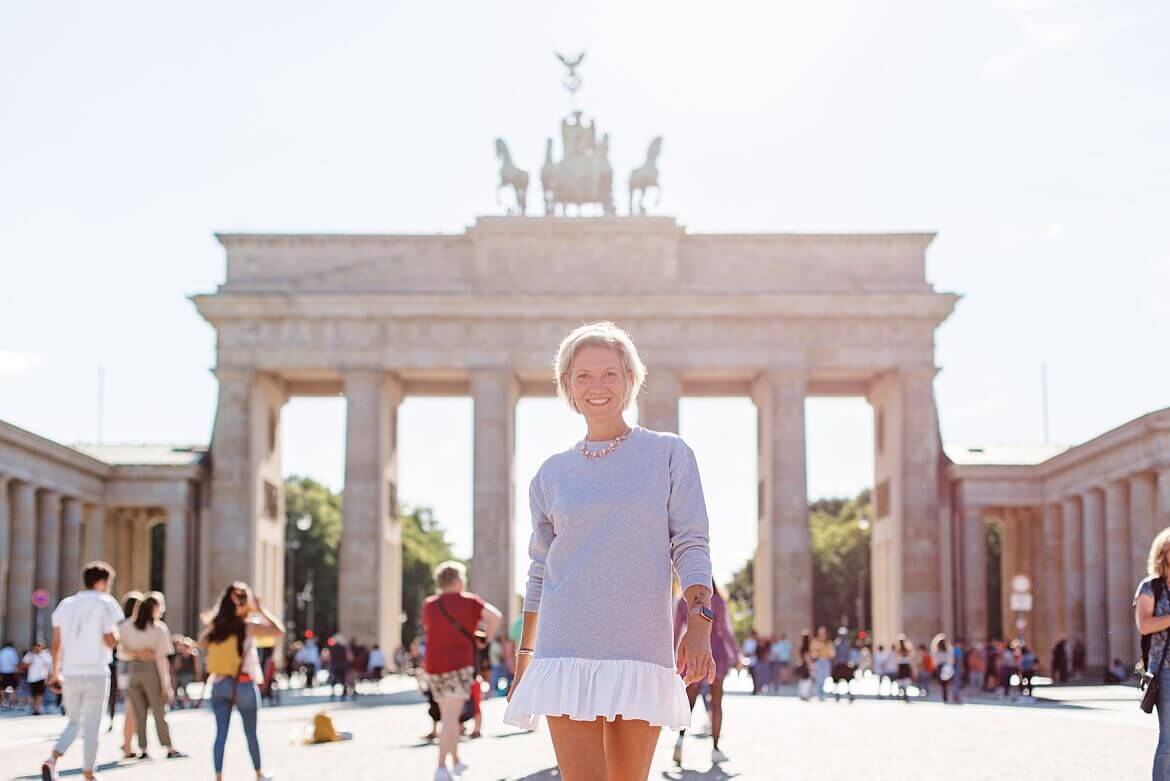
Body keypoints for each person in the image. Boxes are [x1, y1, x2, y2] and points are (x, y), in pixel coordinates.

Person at [504, 322, 716, 781]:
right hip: (564, 649)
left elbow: (691, 543)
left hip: (639, 647)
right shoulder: (551, 473)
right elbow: (540, 571)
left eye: (609, 373)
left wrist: (699, 624)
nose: (596, 386)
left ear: (629, 379)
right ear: (567, 386)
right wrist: (525, 660)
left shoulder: (668, 454)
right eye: (582, 375)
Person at [40, 561, 125, 781]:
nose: (109, 587)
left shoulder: (65, 604)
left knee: (74, 721)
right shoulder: (106, 603)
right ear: (100, 582)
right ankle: (89, 772)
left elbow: (56, 643)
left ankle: (53, 759)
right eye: (109, 582)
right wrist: (116, 638)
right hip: (96, 671)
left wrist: (55, 672)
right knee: (93, 725)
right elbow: (109, 639)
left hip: (70, 672)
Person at [421, 560, 503, 780]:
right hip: (459, 665)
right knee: (450, 717)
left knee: (449, 717)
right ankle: (440, 767)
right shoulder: (469, 602)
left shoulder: (430, 604)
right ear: (458, 581)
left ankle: (456, 761)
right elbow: (496, 616)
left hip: (435, 666)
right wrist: (485, 639)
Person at [199, 582, 284, 781]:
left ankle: (218, 776)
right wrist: (260, 610)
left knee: (220, 734)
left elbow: (201, 643)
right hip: (243, 684)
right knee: (251, 733)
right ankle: (258, 773)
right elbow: (278, 630)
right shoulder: (247, 626)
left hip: (219, 684)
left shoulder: (216, 626)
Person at [672, 578, 740, 766]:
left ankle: (680, 739)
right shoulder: (717, 601)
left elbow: (677, 629)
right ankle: (715, 749)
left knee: (689, 701)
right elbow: (725, 630)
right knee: (716, 703)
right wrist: (736, 654)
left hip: (693, 651)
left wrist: (673, 655)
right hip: (716, 653)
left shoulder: (682, 602)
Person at [119, 592, 185, 759]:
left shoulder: (126, 626)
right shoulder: (158, 628)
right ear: (155, 608)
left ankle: (142, 748)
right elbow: (161, 659)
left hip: (133, 669)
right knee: (159, 711)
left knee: (138, 712)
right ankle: (169, 747)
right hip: (152, 670)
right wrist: (166, 684)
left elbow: (122, 652)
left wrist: (137, 653)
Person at [1135, 527, 1170, 778]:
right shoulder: (1150, 588)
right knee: (1169, 738)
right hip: (1164, 671)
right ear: (1163, 554)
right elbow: (1145, 625)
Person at [112, 591, 143, 754]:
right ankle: (128, 745)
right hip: (130, 666)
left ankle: (129, 743)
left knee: (133, 707)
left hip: (124, 666)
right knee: (132, 707)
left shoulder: (121, 624)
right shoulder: (128, 625)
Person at [22, 640, 52, 715]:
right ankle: (34, 707)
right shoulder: (30, 655)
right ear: (34, 647)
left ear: (42, 647)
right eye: (37, 646)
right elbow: (23, 665)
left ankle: (37, 710)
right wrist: (29, 664)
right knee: (33, 695)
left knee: (39, 694)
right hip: (32, 678)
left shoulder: (45, 655)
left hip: (41, 677)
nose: (38, 648)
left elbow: (50, 666)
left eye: (39, 646)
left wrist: (49, 676)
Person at [810, 626, 834, 702]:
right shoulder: (816, 642)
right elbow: (813, 652)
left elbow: (832, 653)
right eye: (821, 633)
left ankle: (822, 693)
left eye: (823, 633)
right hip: (819, 661)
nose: (822, 635)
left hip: (826, 661)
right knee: (819, 678)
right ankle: (820, 694)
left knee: (824, 678)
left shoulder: (828, 643)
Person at [931, 634, 956, 703]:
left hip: (940, 667)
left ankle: (944, 697)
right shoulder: (948, 651)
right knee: (946, 683)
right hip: (946, 667)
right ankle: (946, 696)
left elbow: (935, 661)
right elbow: (951, 660)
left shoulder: (937, 651)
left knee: (942, 684)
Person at [832, 628, 855, 703]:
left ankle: (849, 694)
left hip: (845, 664)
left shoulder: (847, 644)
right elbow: (835, 654)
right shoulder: (837, 643)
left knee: (848, 680)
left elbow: (849, 654)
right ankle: (837, 694)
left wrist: (850, 662)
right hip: (839, 664)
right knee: (837, 681)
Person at [893, 634, 915, 702]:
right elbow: (911, 658)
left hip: (902, 665)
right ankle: (904, 691)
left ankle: (902, 691)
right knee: (905, 680)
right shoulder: (906, 649)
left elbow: (896, 659)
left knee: (902, 680)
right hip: (905, 665)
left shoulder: (899, 649)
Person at [1, 639, 21, 709]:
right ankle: (10, 703)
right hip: (11, 672)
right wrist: (17, 672)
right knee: (11, 688)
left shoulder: (2, 651)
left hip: (2, 672)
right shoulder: (12, 651)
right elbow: (15, 663)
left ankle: (2, 702)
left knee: (3, 688)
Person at [796, 630, 814, 701]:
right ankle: (804, 694)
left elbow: (799, 656)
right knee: (807, 680)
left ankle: (802, 694)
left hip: (802, 664)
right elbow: (807, 657)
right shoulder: (806, 647)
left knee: (803, 679)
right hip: (806, 665)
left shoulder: (801, 647)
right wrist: (810, 665)